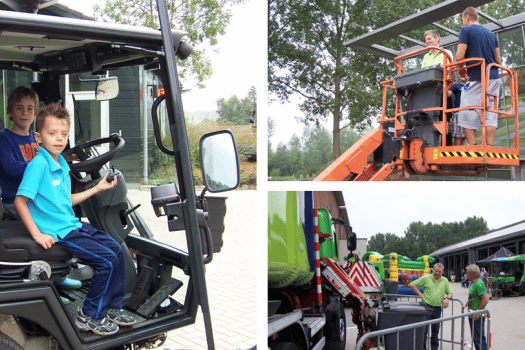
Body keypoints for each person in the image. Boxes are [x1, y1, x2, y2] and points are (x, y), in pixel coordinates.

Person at [14, 103, 136, 336]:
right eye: (52, 134)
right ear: (38, 137)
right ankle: (89, 314)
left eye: (63, 134)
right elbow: (21, 201)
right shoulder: (39, 165)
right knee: (107, 261)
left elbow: (65, 201)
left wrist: (97, 188)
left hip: (72, 225)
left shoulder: (60, 163)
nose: (59, 139)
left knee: (117, 249)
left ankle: (112, 307)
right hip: (60, 231)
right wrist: (37, 234)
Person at [0, 86, 81, 295]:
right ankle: (49, 283)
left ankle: (60, 275)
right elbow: (9, 166)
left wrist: (64, 160)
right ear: (10, 112)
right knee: (55, 220)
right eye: (19, 109)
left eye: (29, 109)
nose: (25, 113)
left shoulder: (37, 140)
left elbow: (48, 158)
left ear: (35, 112)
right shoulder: (5, 138)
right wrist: (41, 166)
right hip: (14, 201)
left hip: (36, 199)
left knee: (64, 218)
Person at [456, 7, 502, 146]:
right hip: (494, 77)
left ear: (467, 18)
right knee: (490, 113)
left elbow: (459, 56)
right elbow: (498, 61)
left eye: (463, 20)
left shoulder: (466, 30)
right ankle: (489, 147)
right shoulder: (491, 33)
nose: (463, 22)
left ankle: (473, 145)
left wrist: (462, 70)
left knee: (464, 110)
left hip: (478, 77)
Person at [410, 263, 453, 350]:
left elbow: (450, 292)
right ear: (433, 270)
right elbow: (412, 284)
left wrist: (447, 299)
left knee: (435, 331)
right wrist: (420, 294)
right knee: (424, 331)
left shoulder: (445, 280)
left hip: (437, 309)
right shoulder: (426, 278)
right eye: (436, 271)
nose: (437, 273)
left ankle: (434, 348)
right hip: (426, 308)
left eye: (440, 272)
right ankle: (423, 348)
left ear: (442, 272)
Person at [466, 264, 489, 350]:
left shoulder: (479, 284)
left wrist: (477, 311)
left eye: (467, 272)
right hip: (472, 314)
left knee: (479, 338)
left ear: (472, 274)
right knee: (476, 338)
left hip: (477, 316)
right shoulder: (473, 283)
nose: (466, 274)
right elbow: (475, 296)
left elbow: (485, 300)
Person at [448, 74, 470, 145]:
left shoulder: (471, 85)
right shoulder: (456, 85)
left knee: (464, 135)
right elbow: (448, 94)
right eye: (461, 73)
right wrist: (445, 85)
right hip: (458, 112)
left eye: (465, 73)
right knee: (458, 135)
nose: (462, 75)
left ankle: (462, 153)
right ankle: (456, 153)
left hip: (468, 111)